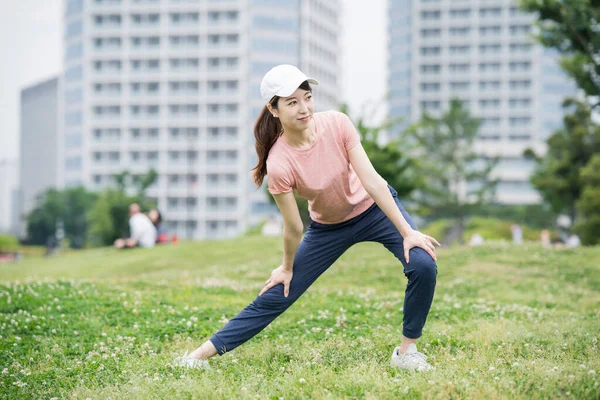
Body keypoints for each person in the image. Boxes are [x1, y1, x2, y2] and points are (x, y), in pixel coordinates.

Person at [174, 64, 440, 372]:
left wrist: (408, 232)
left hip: (374, 209)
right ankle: (195, 359)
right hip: (329, 228)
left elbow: (373, 181)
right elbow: (294, 227)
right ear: (273, 109)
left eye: (307, 97)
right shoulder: (279, 164)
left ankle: (406, 353)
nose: (304, 108)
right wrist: (287, 268)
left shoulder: (337, 124)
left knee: (422, 263)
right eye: (292, 102)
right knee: (279, 292)